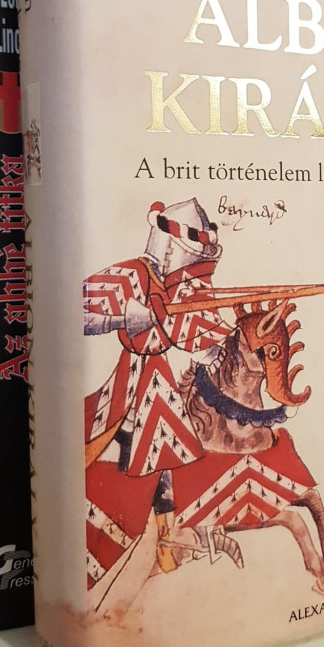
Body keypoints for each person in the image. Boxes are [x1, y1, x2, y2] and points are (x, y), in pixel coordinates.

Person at [83, 198, 233, 595]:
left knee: (166, 458)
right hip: (129, 380)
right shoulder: (130, 273)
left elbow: (186, 328)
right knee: (111, 450)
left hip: (158, 378)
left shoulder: (176, 283)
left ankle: (165, 545)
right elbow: (77, 313)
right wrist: (129, 316)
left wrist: (209, 353)